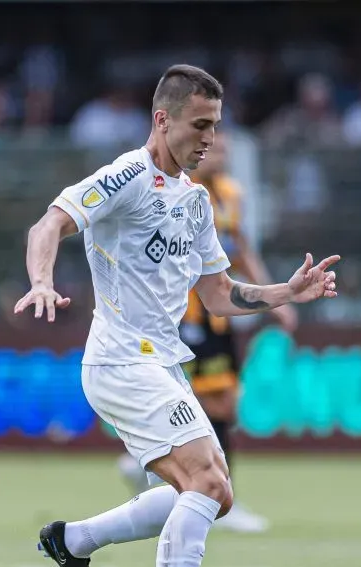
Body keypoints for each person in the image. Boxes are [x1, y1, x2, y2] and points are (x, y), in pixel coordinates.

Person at [14, 64, 338, 567]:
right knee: (209, 483)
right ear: (163, 120)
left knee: (217, 494)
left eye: (216, 126)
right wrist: (40, 281)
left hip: (160, 362)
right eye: (200, 125)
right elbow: (50, 222)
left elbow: (218, 293)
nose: (210, 139)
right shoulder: (127, 176)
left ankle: (73, 540)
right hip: (118, 360)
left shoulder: (194, 202)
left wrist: (284, 294)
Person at [116, 130, 297, 533]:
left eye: (226, 149)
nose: (221, 155)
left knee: (223, 403)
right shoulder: (182, 192)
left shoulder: (231, 194)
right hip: (186, 313)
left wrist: (276, 297)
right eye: (214, 148)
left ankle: (172, 471)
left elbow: (241, 248)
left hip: (219, 313)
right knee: (199, 398)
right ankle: (206, 491)